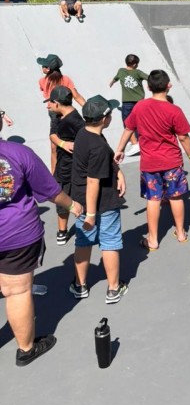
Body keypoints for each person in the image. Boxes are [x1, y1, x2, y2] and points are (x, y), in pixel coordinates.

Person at [0, 118, 82, 365]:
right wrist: (72, 205)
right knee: (17, 291)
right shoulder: (18, 153)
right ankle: (26, 349)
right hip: (16, 236)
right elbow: (50, 191)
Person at [114, 71, 190, 250]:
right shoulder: (174, 110)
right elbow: (183, 137)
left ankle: (153, 240)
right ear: (168, 86)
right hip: (172, 161)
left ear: (148, 87)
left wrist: (120, 149)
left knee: (153, 200)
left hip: (149, 163)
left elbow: (128, 129)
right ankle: (181, 232)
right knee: (176, 196)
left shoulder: (139, 107)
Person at [70, 95, 129, 303]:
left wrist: (118, 172)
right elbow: (93, 182)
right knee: (110, 242)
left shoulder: (85, 134)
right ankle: (113, 288)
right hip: (101, 204)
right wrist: (92, 215)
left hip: (81, 200)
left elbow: (104, 161)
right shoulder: (99, 147)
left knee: (83, 241)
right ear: (104, 119)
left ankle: (80, 284)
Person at [46, 86, 85, 245]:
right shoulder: (57, 117)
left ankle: (86, 226)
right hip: (62, 170)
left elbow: (93, 141)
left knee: (80, 199)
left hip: (75, 170)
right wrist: (63, 143)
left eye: (49, 102)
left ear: (57, 103)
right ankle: (62, 231)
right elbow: (52, 136)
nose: (47, 105)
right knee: (62, 203)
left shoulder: (76, 122)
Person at [37, 54, 85, 173]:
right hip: (68, 112)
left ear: (48, 69)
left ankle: (54, 175)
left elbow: (45, 93)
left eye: (43, 65)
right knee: (77, 141)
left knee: (54, 147)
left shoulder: (42, 81)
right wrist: (89, 109)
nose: (42, 67)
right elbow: (77, 96)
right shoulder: (66, 79)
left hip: (54, 115)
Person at [109, 53, 148, 156]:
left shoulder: (121, 71)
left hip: (127, 103)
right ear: (135, 64)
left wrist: (112, 82)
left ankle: (136, 144)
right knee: (139, 122)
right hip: (140, 102)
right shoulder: (138, 72)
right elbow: (149, 78)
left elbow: (116, 77)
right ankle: (136, 142)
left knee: (127, 123)